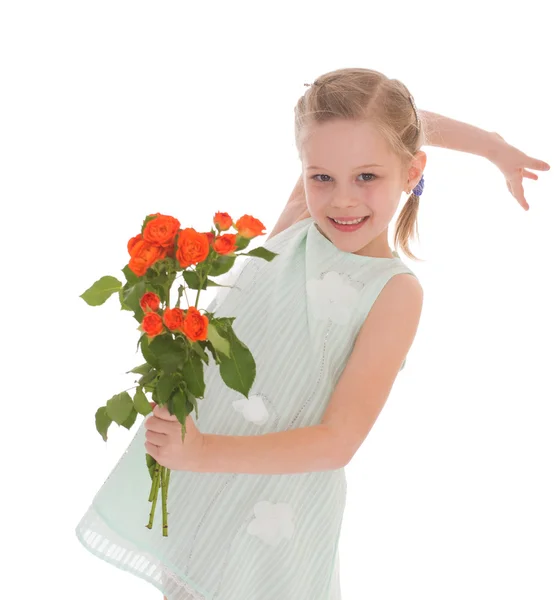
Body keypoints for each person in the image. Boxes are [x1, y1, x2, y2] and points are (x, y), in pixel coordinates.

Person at [74, 67, 550, 600]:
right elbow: (383, 128)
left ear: (412, 170)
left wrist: (201, 451)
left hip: (275, 521)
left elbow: (337, 442)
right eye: (321, 176)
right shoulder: (303, 214)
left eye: (367, 178)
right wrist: (490, 146)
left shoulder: (393, 292)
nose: (342, 199)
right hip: (202, 496)